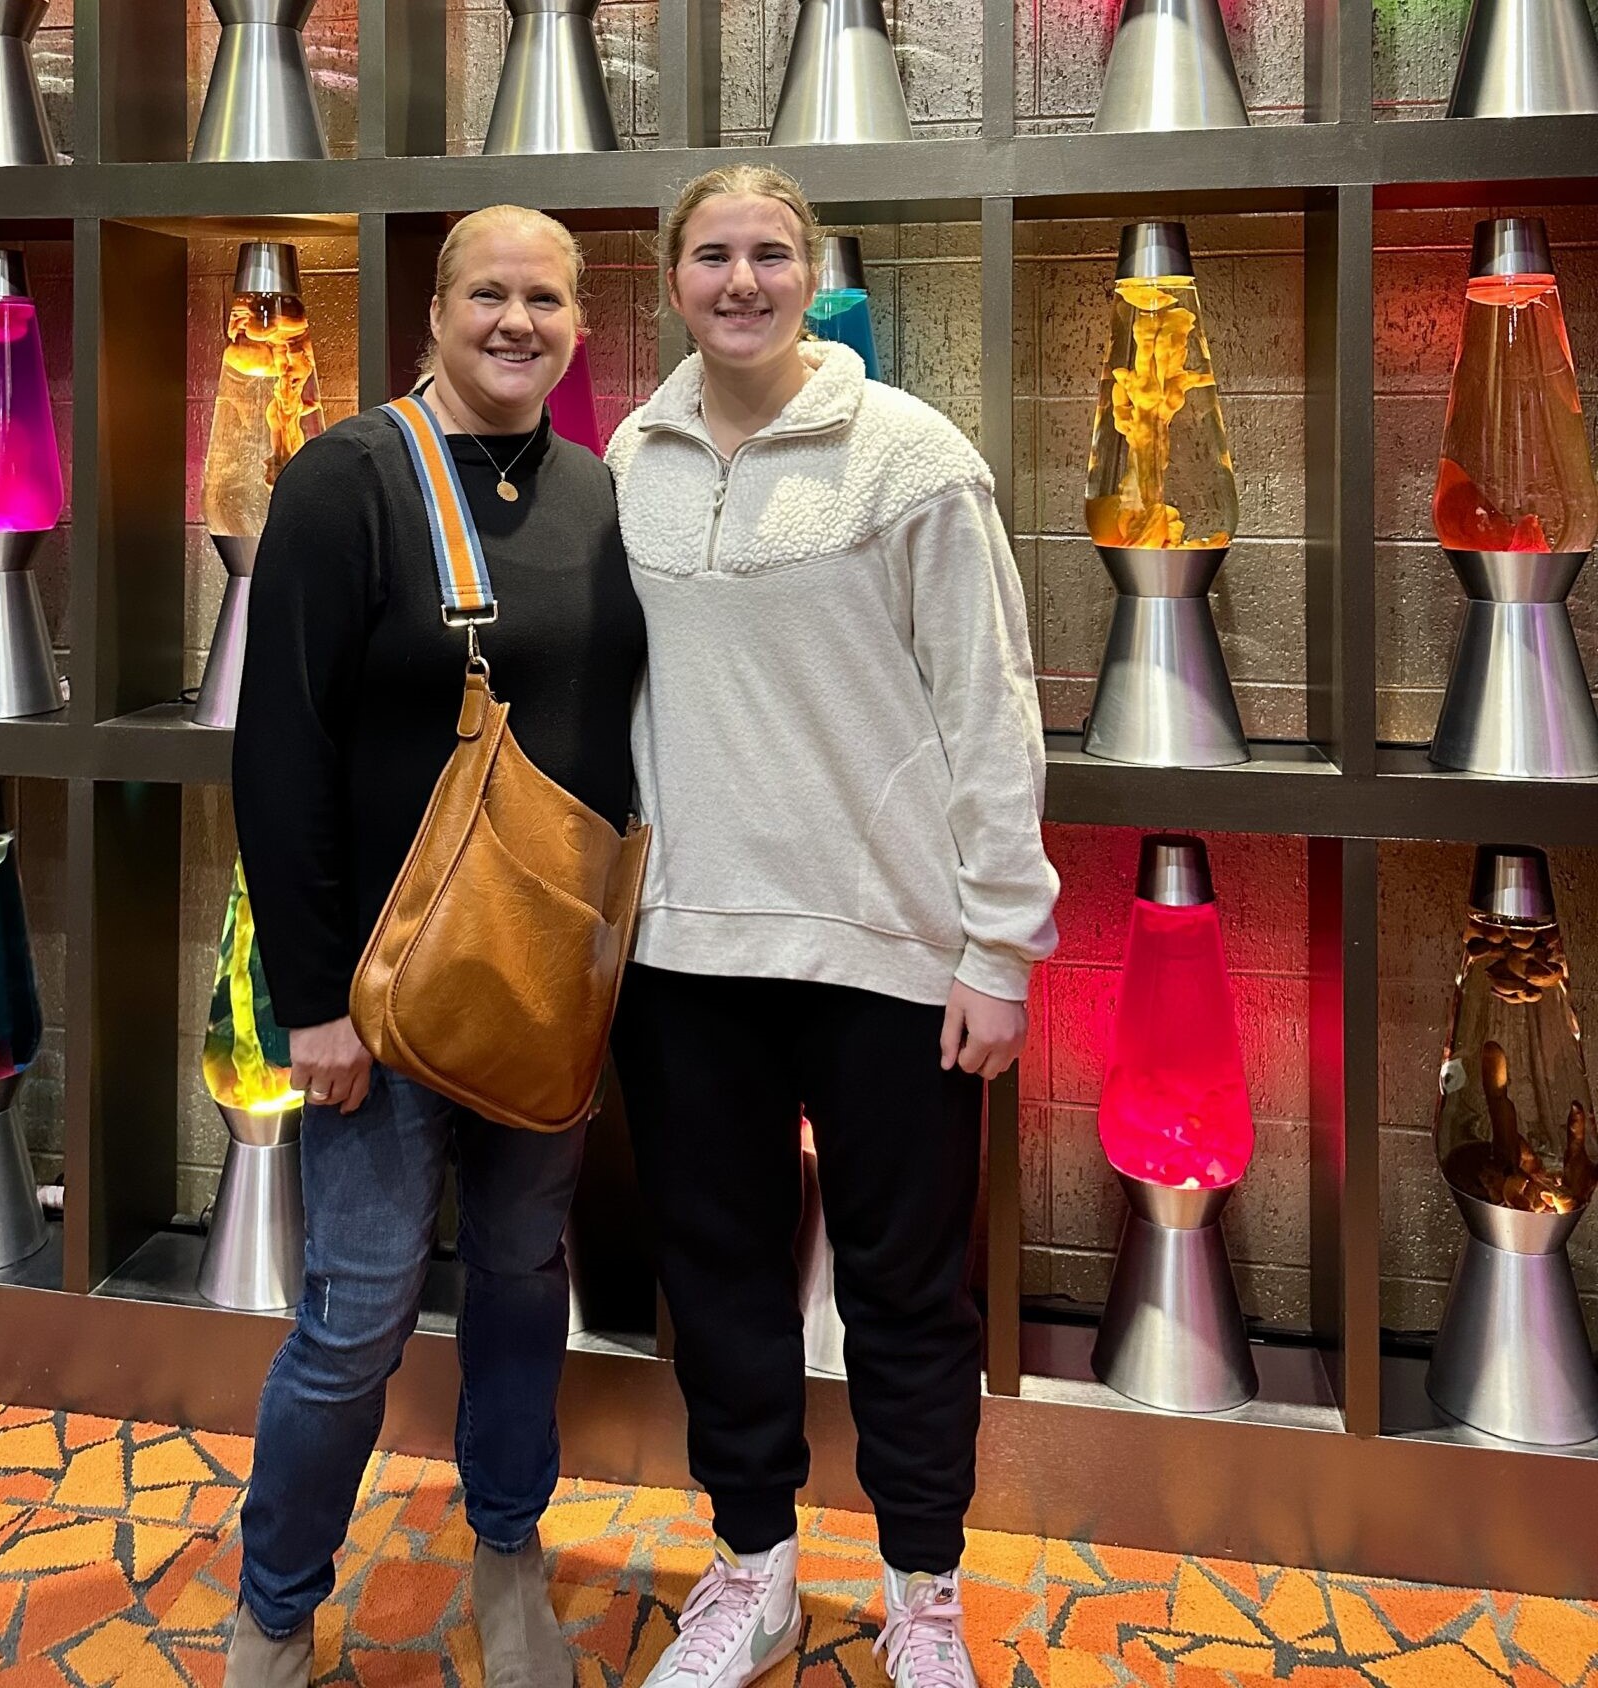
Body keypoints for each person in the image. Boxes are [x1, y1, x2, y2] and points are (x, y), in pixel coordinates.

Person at [605, 164, 1060, 1688]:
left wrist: (998, 949)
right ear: (671, 277)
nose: (742, 281)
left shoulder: (908, 457)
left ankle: (924, 1592)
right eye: (714, 256)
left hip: (885, 960)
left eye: (770, 255)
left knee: (907, 1298)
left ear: (814, 272)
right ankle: (756, 1574)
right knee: (720, 1284)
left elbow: (990, 713)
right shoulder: (634, 455)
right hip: (686, 964)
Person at [227, 204, 646, 1688]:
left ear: (580, 323)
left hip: (540, 991)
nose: (515, 322)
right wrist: (311, 1006)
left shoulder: (601, 495)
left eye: (544, 298)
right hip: (381, 1004)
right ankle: (274, 1606)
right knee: (357, 1316)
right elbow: (278, 753)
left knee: (527, 1276)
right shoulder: (349, 482)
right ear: (435, 309)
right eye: (488, 294)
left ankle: (508, 1556)